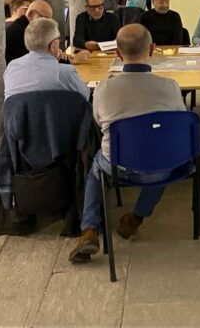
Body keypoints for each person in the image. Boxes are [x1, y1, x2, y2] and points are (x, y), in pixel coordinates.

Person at [68, 24, 187, 263]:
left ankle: (89, 228)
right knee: (162, 159)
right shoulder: (171, 87)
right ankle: (136, 218)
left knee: (95, 169)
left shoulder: (103, 88)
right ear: (152, 49)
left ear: (118, 54)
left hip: (117, 165)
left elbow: (99, 121)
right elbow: (180, 123)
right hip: (159, 168)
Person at [4, 18, 90, 101]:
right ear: (53, 45)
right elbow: (85, 96)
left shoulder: (11, 68)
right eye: (59, 39)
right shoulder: (66, 73)